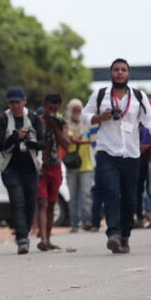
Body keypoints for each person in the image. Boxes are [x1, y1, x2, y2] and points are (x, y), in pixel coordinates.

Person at [83, 59, 151, 254]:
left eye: (123, 70)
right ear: (110, 73)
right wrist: (99, 117)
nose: (119, 72)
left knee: (129, 198)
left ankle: (125, 236)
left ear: (128, 74)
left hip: (131, 154)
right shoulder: (100, 95)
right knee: (111, 192)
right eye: (116, 69)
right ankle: (113, 233)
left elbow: (149, 121)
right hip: (107, 152)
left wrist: (146, 141)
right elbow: (85, 116)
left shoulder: (138, 96)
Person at [0, 87, 44, 254]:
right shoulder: (3, 119)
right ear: (8, 103)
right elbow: (0, 146)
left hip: (30, 167)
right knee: (17, 202)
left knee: (30, 203)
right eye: (12, 103)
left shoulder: (33, 118)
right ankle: (22, 239)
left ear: (24, 101)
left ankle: (24, 231)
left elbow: (42, 143)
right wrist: (14, 137)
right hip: (10, 168)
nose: (15, 106)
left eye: (18, 102)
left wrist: (29, 141)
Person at [36, 94, 69, 251]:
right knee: (42, 202)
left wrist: (56, 128)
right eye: (49, 108)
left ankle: (48, 239)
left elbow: (66, 144)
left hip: (55, 166)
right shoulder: (36, 120)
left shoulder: (61, 121)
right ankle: (43, 239)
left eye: (55, 109)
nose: (51, 112)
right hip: (40, 167)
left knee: (51, 203)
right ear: (44, 105)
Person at [64, 99, 94, 234]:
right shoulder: (66, 124)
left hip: (86, 165)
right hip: (72, 165)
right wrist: (87, 141)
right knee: (73, 197)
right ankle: (74, 224)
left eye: (79, 109)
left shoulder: (86, 124)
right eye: (74, 109)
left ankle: (87, 221)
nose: (77, 112)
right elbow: (72, 139)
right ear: (70, 110)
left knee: (86, 195)